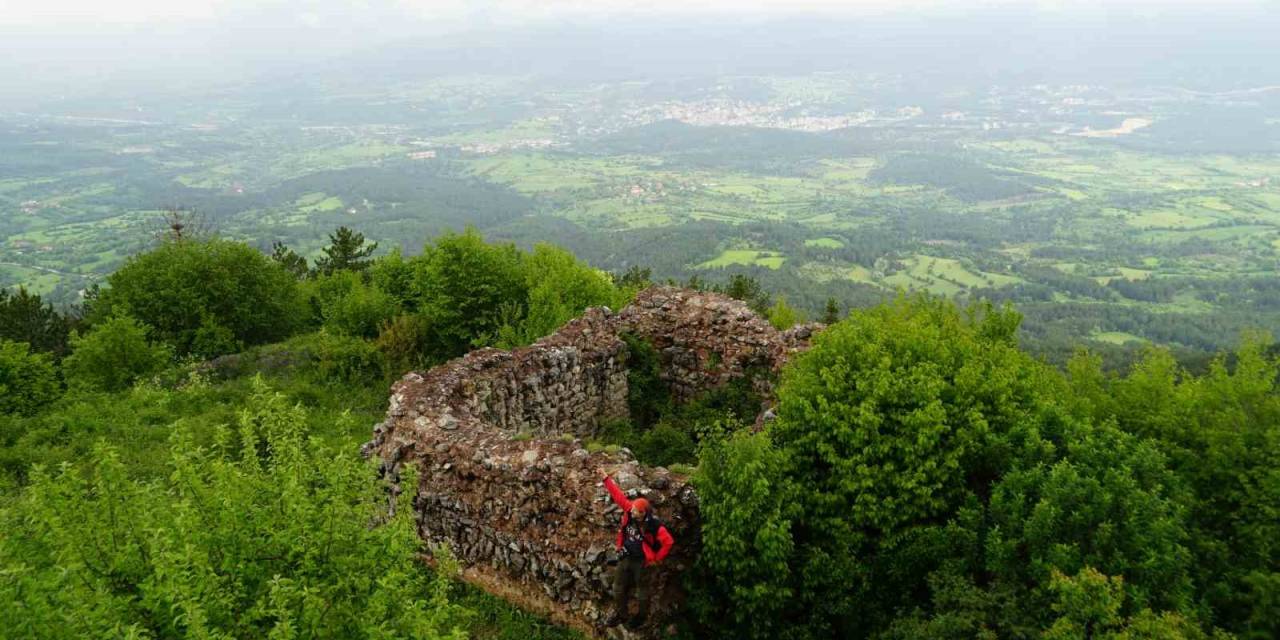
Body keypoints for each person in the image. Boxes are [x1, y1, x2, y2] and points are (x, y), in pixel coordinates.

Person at [597, 465, 675, 628]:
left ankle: (641, 617)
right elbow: (617, 495)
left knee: (642, 593)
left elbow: (668, 542)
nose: (631, 512)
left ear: (643, 513)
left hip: (642, 562)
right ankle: (622, 614)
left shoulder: (654, 526)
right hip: (626, 556)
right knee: (617, 587)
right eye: (631, 510)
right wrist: (605, 478)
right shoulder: (629, 510)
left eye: (635, 512)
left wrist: (657, 559)